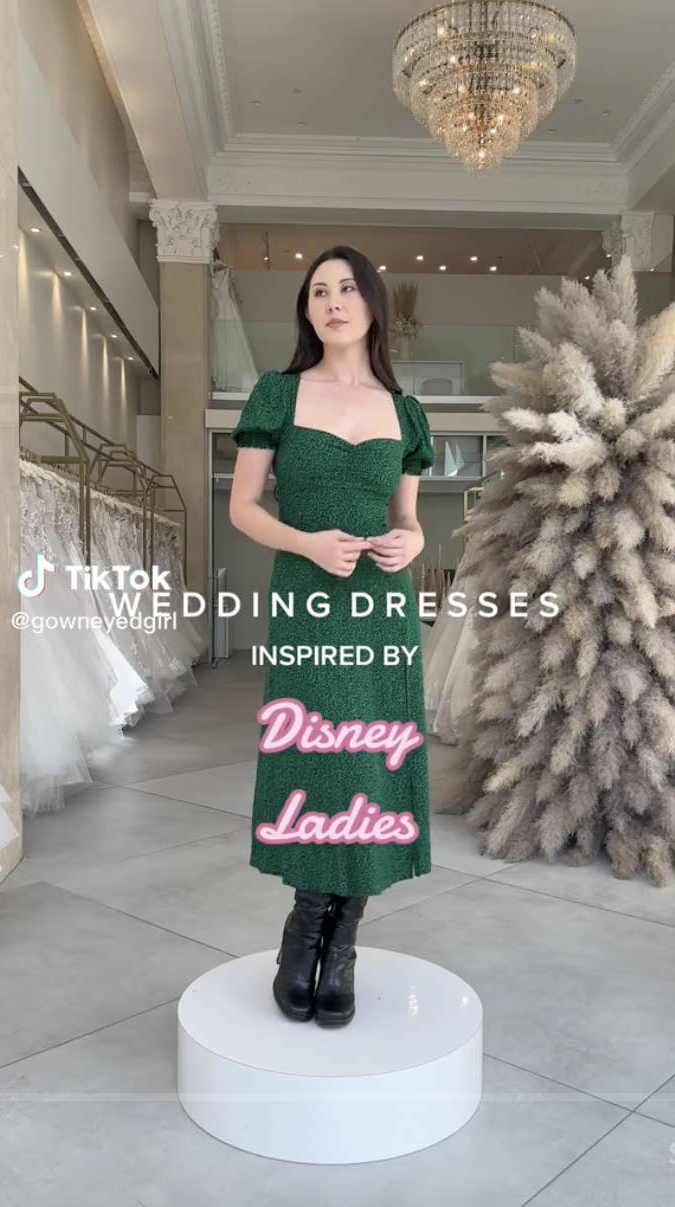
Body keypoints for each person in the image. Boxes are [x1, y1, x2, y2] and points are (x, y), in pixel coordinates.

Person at [229, 245, 435, 1027]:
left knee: (372, 766)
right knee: (321, 753)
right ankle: (303, 928)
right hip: (310, 597)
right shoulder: (279, 394)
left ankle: (341, 940)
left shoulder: (405, 411)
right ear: (307, 310)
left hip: (383, 606)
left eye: (348, 288)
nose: (333, 300)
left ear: (373, 304)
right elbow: (244, 507)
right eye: (319, 291)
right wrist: (308, 542)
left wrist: (411, 541)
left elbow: (406, 517)